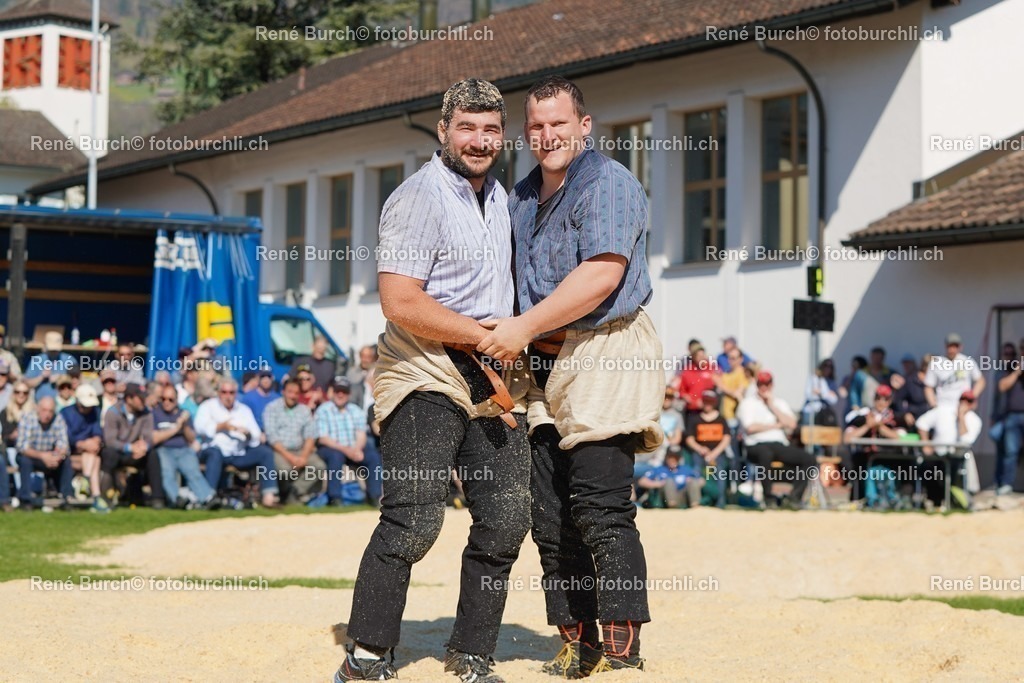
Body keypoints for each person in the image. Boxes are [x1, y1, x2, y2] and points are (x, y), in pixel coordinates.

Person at [337, 79, 530, 683]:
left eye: (490, 129)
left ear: (502, 136)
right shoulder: (418, 197)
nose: (479, 140)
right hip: (423, 370)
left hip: (494, 376)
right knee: (416, 518)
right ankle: (366, 656)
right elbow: (399, 302)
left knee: (505, 518)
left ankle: (471, 656)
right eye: (466, 127)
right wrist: (483, 335)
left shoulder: (501, 197)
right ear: (443, 131)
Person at [485, 75, 664, 675]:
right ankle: (577, 639)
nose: (546, 135)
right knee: (549, 512)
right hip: (542, 360)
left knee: (599, 504)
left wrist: (519, 327)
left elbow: (601, 275)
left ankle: (621, 652)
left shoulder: (609, 183)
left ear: (584, 126)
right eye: (535, 126)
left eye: (558, 123)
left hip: (606, 347)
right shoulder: (521, 197)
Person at [194, 378, 279, 509]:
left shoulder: (244, 410)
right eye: (224, 392)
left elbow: (255, 435)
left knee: (265, 453)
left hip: (238, 452)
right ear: (218, 392)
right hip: (214, 450)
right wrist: (222, 426)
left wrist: (247, 434)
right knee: (214, 454)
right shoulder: (207, 406)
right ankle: (209, 497)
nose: (228, 396)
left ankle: (269, 494)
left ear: (236, 393)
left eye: (231, 392)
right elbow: (199, 427)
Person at [736, 371, 817, 509]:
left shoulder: (779, 403)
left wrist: (772, 406)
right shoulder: (747, 403)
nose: (764, 388)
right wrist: (776, 425)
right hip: (755, 444)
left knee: (808, 459)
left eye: (767, 384)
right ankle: (769, 498)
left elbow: (792, 424)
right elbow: (750, 428)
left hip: (778, 444)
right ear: (757, 385)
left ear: (772, 385)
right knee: (765, 454)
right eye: (761, 384)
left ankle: (793, 499)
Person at [316, 377, 381, 506]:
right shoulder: (323, 410)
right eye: (337, 391)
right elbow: (323, 438)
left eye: (344, 391)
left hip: (353, 448)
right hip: (331, 447)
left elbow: (361, 434)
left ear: (349, 394)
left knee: (373, 456)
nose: (340, 394)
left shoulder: (356, 410)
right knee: (336, 456)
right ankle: (335, 498)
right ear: (332, 392)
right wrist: (347, 450)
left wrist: (357, 449)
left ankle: (375, 496)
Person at [152, 384, 218, 509]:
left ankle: (208, 498)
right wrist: (176, 428)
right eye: (163, 399)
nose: (166, 402)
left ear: (176, 400)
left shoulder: (183, 413)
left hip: (183, 449)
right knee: (167, 474)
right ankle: (177, 499)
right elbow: (155, 438)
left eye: (170, 399)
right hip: (164, 449)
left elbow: (191, 438)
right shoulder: (155, 413)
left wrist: (184, 425)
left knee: (193, 472)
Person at [101, 383, 163, 508]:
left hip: (137, 453)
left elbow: (149, 437)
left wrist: (144, 446)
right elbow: (110, 440)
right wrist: (130, 447)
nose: (143, 401)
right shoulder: (113, 412)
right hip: (119, 452)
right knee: (109, 454)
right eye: (140, 398)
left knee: (153, 455)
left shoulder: (146, 413)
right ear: (129, 399)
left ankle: (158, 498)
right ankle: (105, 496)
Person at [917, 390, 983, 507]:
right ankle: (934, 501)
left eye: (969, 401)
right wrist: (926, 443)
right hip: (937, 455)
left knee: (948, 470)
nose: (965, 404)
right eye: (962, 400)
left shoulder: (975, 420)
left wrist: (961, 417)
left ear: (974, 404)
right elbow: (922, 423)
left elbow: (965, 441)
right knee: (927, 468)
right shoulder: (944, 410)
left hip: (958, 458)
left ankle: (946, 501)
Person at [263, 379, 324, 503]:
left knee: (319, 466)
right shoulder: (272, 408)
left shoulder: (304, 410)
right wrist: (291, 458)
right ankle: (284, 495)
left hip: (300, 449)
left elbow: (310, 435)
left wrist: (303, 457)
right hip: (280, 451)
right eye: (290, 392)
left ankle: (296, 491)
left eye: (296, 393)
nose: (293, 396)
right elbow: (272, 437)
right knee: (285, 470)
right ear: (283, 392)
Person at [843, 384, 901, 503]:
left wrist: (880, 427)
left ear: (890, 401)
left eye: (885, 399)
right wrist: (867, 426)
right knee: (858, 463)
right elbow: (847, 438)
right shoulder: (863, 416)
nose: (881, 402)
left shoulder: (896, 417)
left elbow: (900, 438)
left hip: (889, 457)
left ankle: (892, 498)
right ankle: (865, 499)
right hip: (866, 457)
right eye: (878, 398)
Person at [15, 396, 72, 510]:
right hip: (32, 455)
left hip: (51, 455)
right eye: (44, 410)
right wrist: (42, 456)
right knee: (25, 461)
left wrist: (57, 456)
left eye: (50, 411)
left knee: (66, 461)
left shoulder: (58, 419)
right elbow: (22, 446)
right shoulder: (27, 419)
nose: (47, 414)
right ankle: (26, 499)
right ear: (38, 409)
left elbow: (63, 444)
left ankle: (66, 498)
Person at [60, 385, 108, 513]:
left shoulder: (95, 411)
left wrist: (95, 442)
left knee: (94, 457)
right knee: (95, 460)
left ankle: (86, 482)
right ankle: (96, 497)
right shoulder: (65, 413)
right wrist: (82, 444)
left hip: (89, 452)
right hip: (72, 452)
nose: (88, 409)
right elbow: (66, 437)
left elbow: (97, 432)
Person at [684, 389, 732, 508]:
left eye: (710, 402)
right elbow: (689, 439)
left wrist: (714, 453)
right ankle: (696, 501)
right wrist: (700, 449)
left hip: (717, 453)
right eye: (706, 402)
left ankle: (720, 502)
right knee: (696, 471)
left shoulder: (721, 419)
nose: (708, 405)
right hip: (700, 453)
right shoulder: (695, 419)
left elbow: (726, 439)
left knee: (720, 472)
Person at [634, 387, 682, 501]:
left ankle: (635, 500)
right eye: (665, 397)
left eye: (669, 397)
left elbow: (677, 437)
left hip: (658, 456)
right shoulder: (653, 413)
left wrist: (664, 442)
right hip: (644, 452)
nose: (667, 399)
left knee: (631, 471)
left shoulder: (677, 416)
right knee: (629, 469)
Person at [991, 339, 1024, 495]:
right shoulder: (1011, 368)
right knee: (1010, 452)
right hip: (1012, 417)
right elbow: (1002, 387)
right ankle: (1005, 484)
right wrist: (1017, 372)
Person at [924, 332, 985, 409]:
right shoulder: (936, 363)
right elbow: (928, 387)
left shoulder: (967, 361)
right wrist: (933, 404)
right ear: (945, 346)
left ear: (960, 347)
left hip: (962, 405)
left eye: (955, 346)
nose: (952, 349)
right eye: (950, 346)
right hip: (942, 405)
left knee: (975, 421)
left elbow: (980, 381)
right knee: (921, 421)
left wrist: (972, 396)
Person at [674, 345, 720, 429]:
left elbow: (719, 386)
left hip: (709, 411)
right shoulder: (687, 371)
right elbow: (681, 391)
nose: (701, 358)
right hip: (693, 411)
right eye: (699, 356)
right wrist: (692, 401)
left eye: (703, 356)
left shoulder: (711, 369)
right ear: (694, 357)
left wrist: (706, 403)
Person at [636, 450, 701, 508]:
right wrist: (658, 484)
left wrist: (691, 481)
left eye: (676, 458)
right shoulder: (659, 469)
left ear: (679, 459)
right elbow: (642, 481)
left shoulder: (686, 469)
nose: (673, 460)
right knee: (668, 481)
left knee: (693, 481)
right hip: (664, 499)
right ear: (666, 457)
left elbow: (701, 480)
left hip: (682, 497)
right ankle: (672, 505)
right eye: (671, 457)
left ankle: (695, 506)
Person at [24, 331, 76, 401]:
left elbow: (77, 382)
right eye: (51, 349)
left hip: (64, 404)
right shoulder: (37, 360)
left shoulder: (69, 360)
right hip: (42, 405)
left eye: (55, 350)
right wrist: (42, 377)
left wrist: (61, 378)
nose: (53, 352)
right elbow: (27, 384)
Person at [892, 353, 930, 430]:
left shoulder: (937, 382)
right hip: (915, 419)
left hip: (932, 418)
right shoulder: (910, 381)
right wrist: (905, 414)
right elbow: (898, 400)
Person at [716, 347, 750, 430]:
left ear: (741, 359)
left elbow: (738, 393)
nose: (730, 360)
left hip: (735, 416)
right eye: (729, 358)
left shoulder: (743, 373)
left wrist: (722, 387)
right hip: (724, 415)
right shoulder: (726, 374)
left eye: (733, 358)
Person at [803, 358, 839, 426]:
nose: (827, 369)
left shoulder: (828, 382)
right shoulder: (814, 378)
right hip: (811, 411)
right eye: (825, 366)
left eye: (830, 367)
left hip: (823, 414)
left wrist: (821, 393)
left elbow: (833, 399)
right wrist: (827, 394)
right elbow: (809, 394)